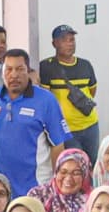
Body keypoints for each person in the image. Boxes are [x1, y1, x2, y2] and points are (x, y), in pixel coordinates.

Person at [0, 51, 69, 189]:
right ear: (2, 72)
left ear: (28, 71)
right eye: (9, 69)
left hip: (35, 188)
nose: (14, 75)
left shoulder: (46, 100)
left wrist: (58, 186)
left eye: (20, 69)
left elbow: (57, 145)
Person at [37, 23, 103, 161]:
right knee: (75, 164)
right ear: (54, 43)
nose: (69, 43)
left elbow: (92, 91)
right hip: (66, 129)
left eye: (72, 39)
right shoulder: (47, 67)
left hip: (90, 124)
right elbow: (45, 98)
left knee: (93, 163)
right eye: (64, 40)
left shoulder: (85, 65)